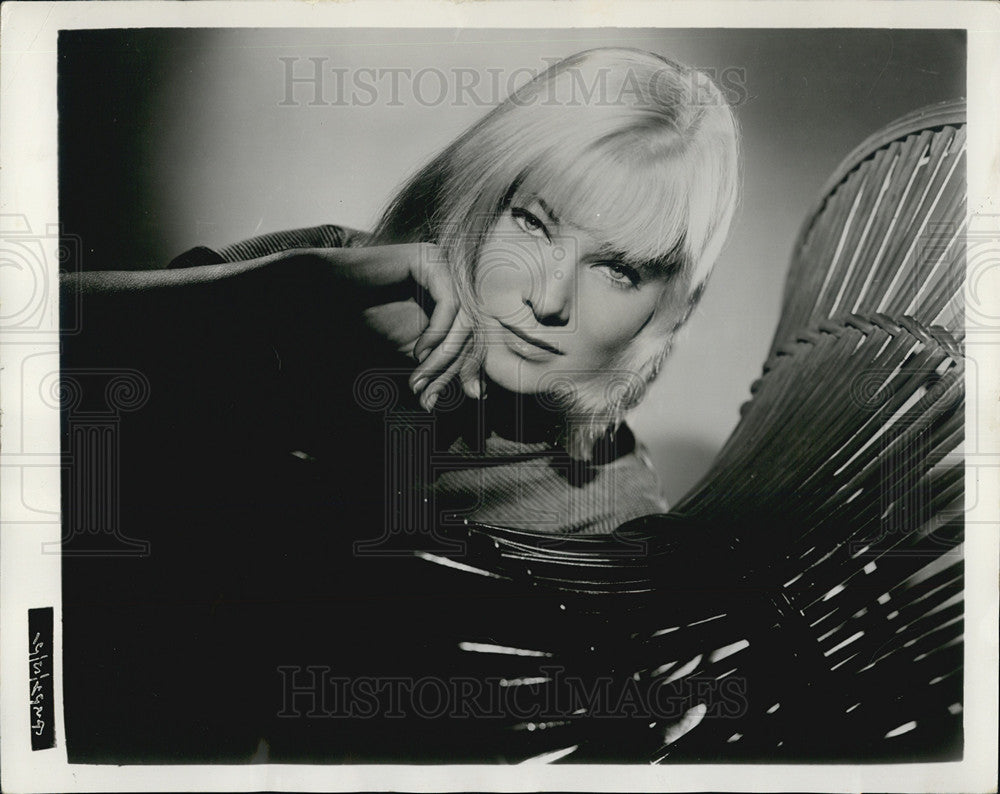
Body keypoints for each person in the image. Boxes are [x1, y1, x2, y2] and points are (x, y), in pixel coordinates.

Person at [59, 47, 740, 762]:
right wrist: (269, 289)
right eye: (534, 224)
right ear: (480, 194)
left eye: (616, 268)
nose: (549, 299)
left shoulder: (609, 513)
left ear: (662, 308)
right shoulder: (327, 283)